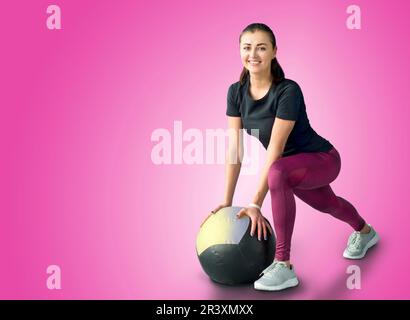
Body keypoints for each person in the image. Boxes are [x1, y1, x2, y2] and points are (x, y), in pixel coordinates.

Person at [200, 23, 379, 292]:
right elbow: (235, 149)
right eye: (247, 48)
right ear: (239, 51)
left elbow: (275, 146)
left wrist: (255, 203)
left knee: (278, 172)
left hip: (322, 159)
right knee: (328, 204)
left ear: (274, 51)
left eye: (261, 47)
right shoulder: (235, 92)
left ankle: (283, 265)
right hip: (288, 170)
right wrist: (227, 202)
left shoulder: (288, 91)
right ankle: (366, 232)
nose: (254, 54)